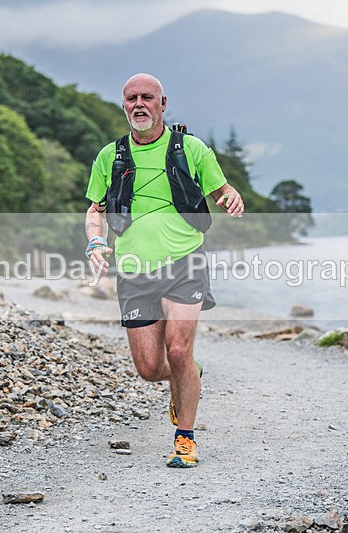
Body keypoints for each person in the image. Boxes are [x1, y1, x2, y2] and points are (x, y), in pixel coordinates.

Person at [84, 73, 244, 468]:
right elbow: (95, 210)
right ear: (124, 105)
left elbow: (220, 190)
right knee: (150, 368)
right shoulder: (110, 156)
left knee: (177, 348)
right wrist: (95, 241)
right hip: (134, 271)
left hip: (185, 262)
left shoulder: (191, 149)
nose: (139, 104)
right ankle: (190, 371)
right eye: (131, 98)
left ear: (162, 103)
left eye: (147, 98)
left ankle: (185, 440)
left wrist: (231, 194)